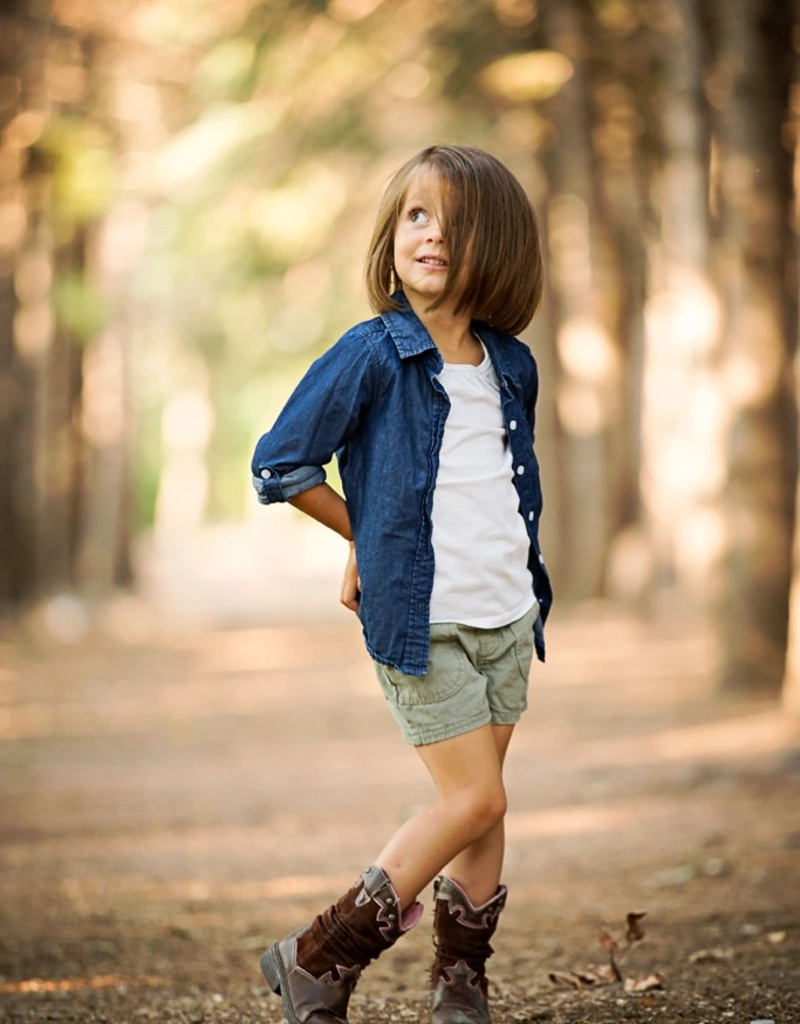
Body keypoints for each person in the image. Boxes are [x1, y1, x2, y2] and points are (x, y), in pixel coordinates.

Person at [251, 143, 552, 1024]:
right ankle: (319, 954)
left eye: (454, 225)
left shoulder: (510, 364)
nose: (430, 236)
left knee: (479, 812)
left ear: (496, 247)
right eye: (416, 216)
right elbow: (281, 462)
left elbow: (486, 487)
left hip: (505, 608)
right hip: (424, 620)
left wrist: (378, 533)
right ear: (391, 234)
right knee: (476, 797)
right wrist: (369, 542)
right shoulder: (374, 352)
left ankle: (460, 983)